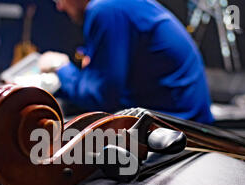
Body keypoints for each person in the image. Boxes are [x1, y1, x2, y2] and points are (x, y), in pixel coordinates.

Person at [38, 0, 214, 124]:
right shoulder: (118, 5)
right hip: (179, 117)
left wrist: (60, 67)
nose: (60, 7)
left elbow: (100, 98)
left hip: (179, 127)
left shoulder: (106, 8)